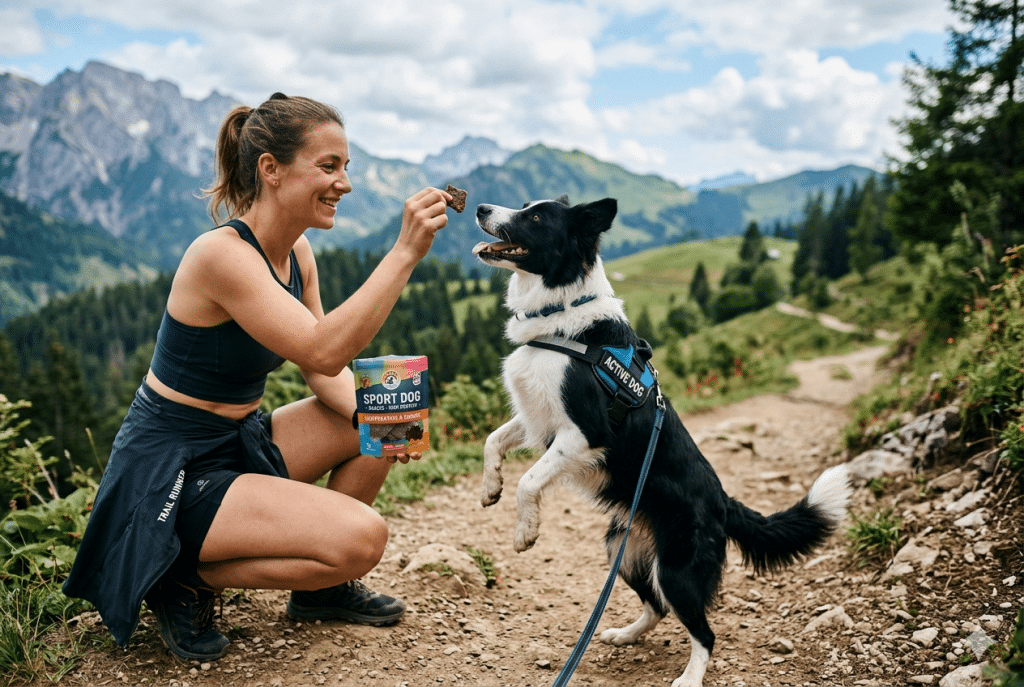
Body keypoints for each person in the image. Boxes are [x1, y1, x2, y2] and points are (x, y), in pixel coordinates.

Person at [62, 92, 453, 661]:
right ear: (270, 169)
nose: (344, 182)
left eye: (346, 167)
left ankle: (319, 592)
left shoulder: (298, 253)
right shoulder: (219, 256)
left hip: (238, 440)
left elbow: (324, 372)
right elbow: (323, 347)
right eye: (329, 166)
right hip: (173, 467)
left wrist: (390, 423)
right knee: (363, 537)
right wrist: (403, 253)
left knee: (392, 408)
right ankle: (179, 576)